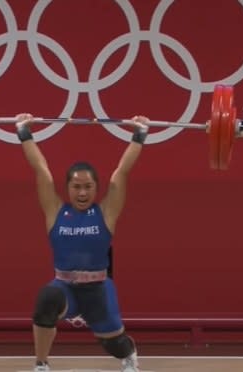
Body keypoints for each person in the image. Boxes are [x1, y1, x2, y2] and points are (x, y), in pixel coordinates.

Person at [15, 113, 148, 372]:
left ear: (96, 188)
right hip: (65, 288)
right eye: (77, 187)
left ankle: (128, 353)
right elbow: (41, 170)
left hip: (97, 290)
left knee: (115, 346)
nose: (83, 192)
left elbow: (122, 172)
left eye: (88, 186)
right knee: (46, 299)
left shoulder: (106, 213)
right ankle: (41, 364)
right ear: (68, 188)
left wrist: (140, 134)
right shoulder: (55, 211)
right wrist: (23, 132)